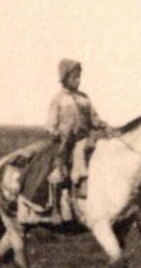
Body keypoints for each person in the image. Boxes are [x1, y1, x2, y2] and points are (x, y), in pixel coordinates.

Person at [21, 58, 103, 219]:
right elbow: (51, 125)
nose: (78, 80)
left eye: (79, 76)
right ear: (65, 78)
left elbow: (94, 118)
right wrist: (57, 133)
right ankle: (55, 208)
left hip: (85, 139)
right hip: (65, 142)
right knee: (57, 169)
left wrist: (103, 124)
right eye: (74, 77)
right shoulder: (58, 99)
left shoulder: (84, 98)